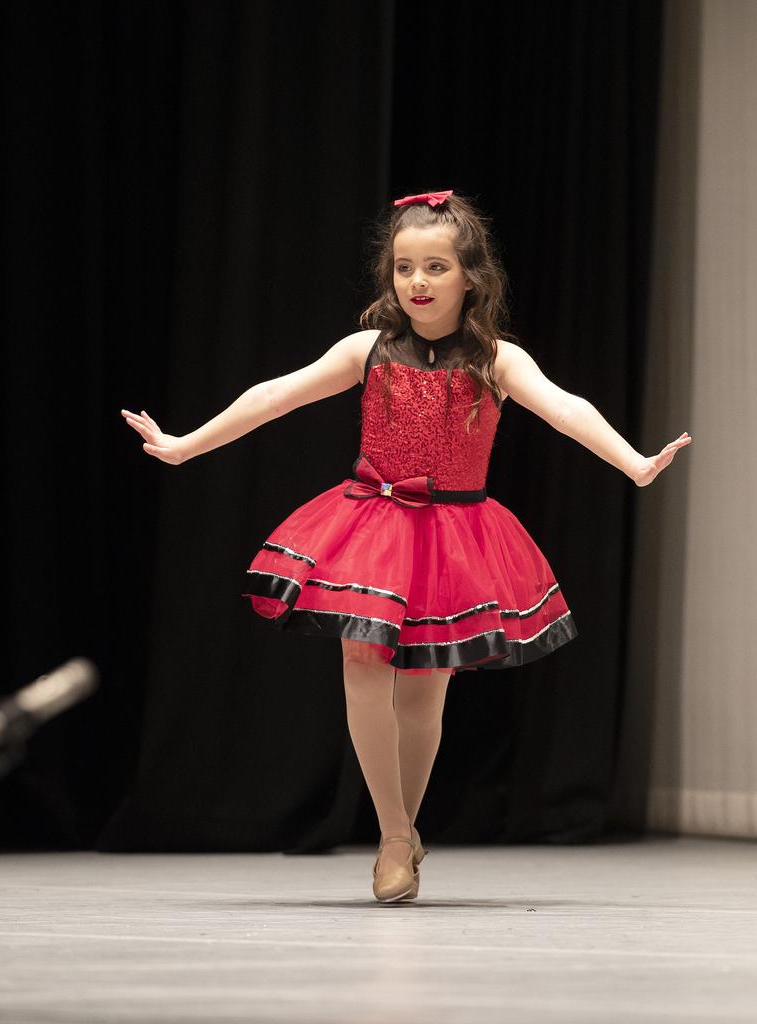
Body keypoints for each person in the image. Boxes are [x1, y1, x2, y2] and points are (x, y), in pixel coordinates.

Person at [121, 188, 691, 903]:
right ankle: (394, 835)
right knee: (362, 663)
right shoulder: (369, 350)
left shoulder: (496, 358)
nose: (416, 283)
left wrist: (633, 462)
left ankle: (405, 825)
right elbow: (277, 394)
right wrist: (186, 445)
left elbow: (566, 408)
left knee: (423, 693)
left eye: (435, 268)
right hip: (371, 523)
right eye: (403, 268)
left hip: (454, 535)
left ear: (470, 276)